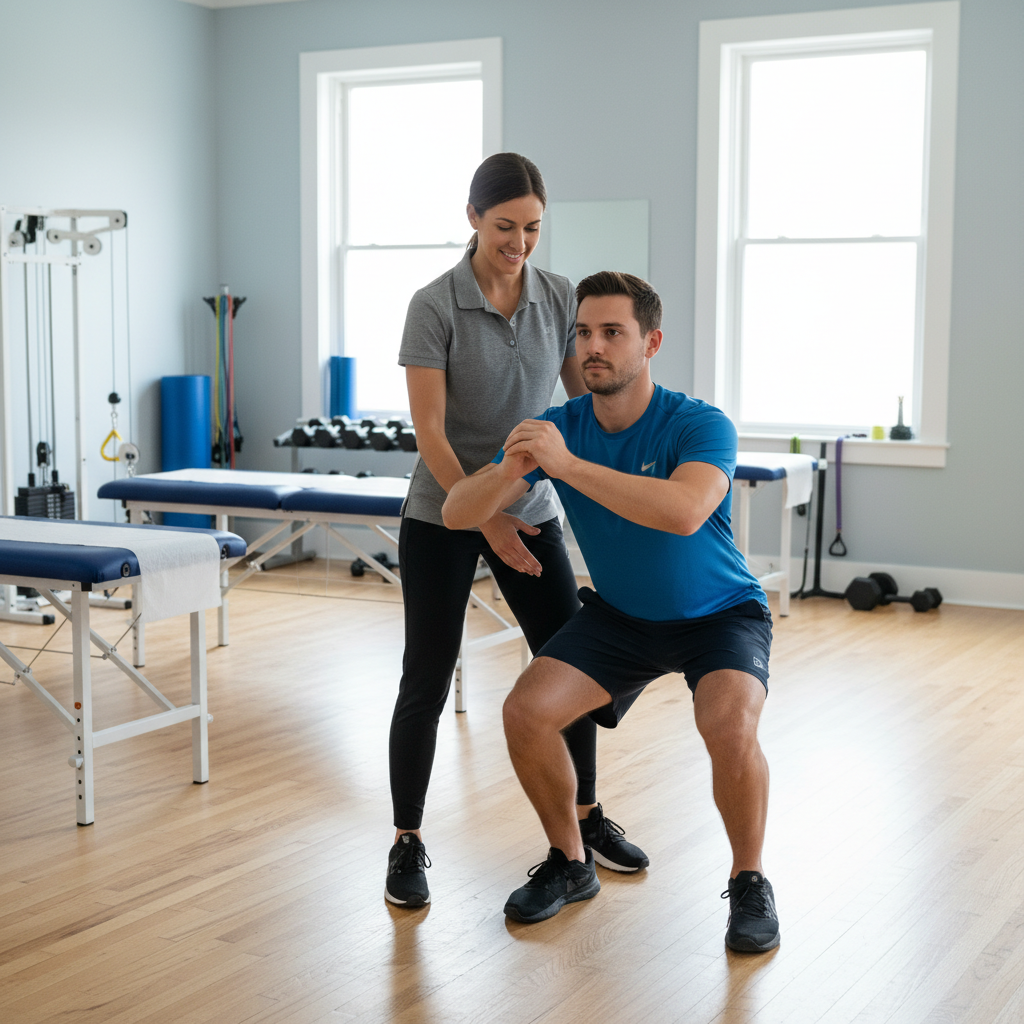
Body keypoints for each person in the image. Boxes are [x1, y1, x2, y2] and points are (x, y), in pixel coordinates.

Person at [441, 271, 780, 952]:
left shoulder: (698, 423)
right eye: (584, 333)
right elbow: (455, 513)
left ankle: (749, 880)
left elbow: (684, 512)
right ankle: (571, 861)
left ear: (650, 342)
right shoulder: (558, 429)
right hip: (622, 617)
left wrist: (563, 468)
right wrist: (511, 471)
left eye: (612, 332)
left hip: (720, 615)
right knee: (525, 712)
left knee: (728, 725)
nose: (593, 346)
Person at [386, 155, 648, 909]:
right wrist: (486, 514)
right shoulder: (433, 305)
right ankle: (407, 840)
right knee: (426, 678)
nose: (520, 243)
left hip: (533, 511)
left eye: (533, 228)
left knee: (570, 665)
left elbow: (582, 403)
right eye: (506, 227)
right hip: (444, 513)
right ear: (473, 217)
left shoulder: (558, 296)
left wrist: (623, 476)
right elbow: (430, 434)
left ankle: (585, 820)